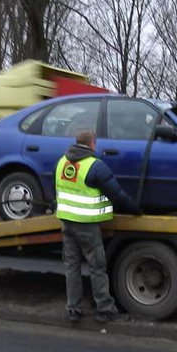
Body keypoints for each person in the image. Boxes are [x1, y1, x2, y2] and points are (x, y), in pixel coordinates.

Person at [55, 130, 142, 323]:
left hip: (67, 223)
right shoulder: (95, 166)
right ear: (92, 144)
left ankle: (74, 310)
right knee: (97, 266)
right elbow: (117, 194)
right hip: (86, 225)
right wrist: (135, 210)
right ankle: (105, 310)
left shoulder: (62, 162)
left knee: (72, 267)